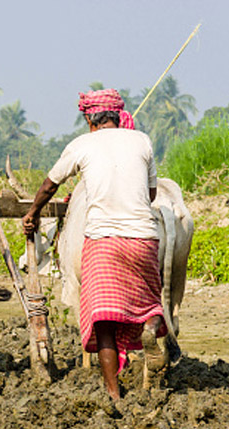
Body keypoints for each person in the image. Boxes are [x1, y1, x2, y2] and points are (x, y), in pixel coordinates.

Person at [22, 88, 166, 401]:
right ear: (117, 116)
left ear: (91, 120)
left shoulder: (82, 144)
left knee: (103, 323)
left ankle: (114, 395)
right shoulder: (142, 140)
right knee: (150, 304)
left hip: (104, 243)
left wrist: (32, 212)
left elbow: (50, 185)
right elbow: (151, 194)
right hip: (144, 239)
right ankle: (151, 329)